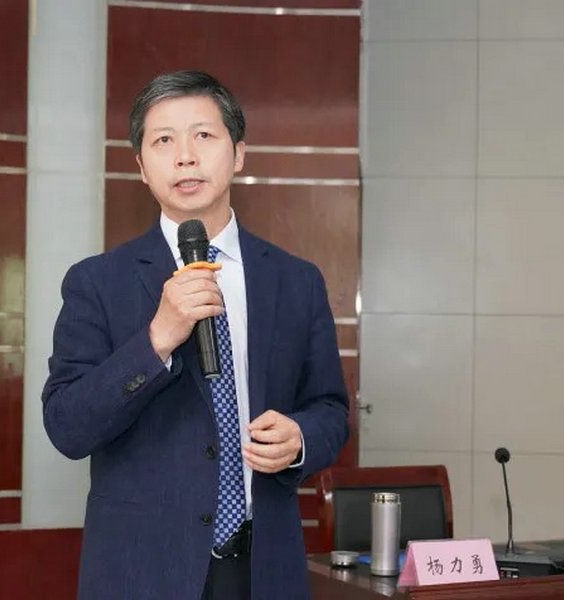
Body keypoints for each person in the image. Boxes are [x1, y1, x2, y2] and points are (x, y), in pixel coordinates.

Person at [42, 70, 349, 600]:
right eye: (164, 141)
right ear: (142, 168)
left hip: (263, 567)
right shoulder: (97, 282)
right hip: (144, 572)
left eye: (203, 135)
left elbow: (331, 409)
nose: (185, 156)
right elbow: (67, 427)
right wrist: (156, 340)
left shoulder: (296, 280)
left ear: (239, 153)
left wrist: (301, 438)